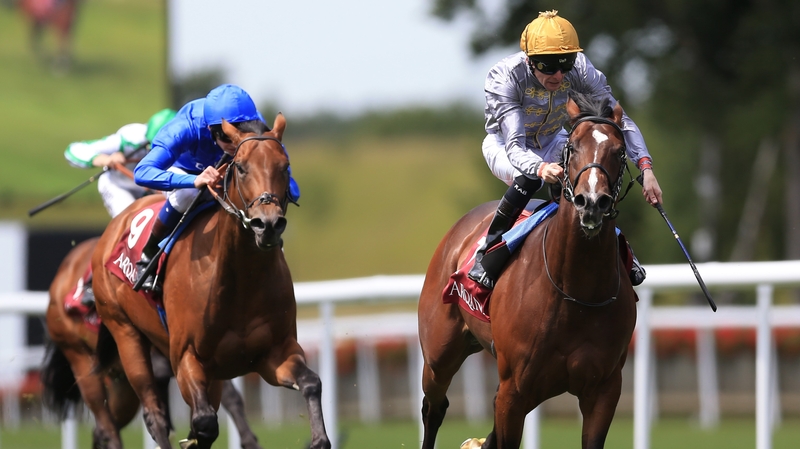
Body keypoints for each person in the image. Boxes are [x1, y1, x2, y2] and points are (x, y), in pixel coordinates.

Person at [467, 10, 663, 289]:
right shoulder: (505, 76)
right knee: (530, 177)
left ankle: (620, 247)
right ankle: (488, 250)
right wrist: (540, 167)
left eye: (565, 64)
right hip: (505, 144)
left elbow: (620, 120)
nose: (559, 75)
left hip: (553, 139)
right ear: (529, 61)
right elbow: (515, 145)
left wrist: (645, 168)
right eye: (548, 66)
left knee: (588, 173)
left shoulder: (581, 68)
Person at [133, 84, 300, 293]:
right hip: (185, 172)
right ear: (211, 129)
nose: (235, 141)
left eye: (242, 133)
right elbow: (142, 172)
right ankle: (148, 255)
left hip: (231, 168)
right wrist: (194, 181)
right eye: (227, 137)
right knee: (188, 194)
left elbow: (273, 158)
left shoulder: (255, 123)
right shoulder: (185, 128)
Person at [64, 108, 177, 306]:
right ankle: (90, 282)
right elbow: (74, 150)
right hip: (119, 186)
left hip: (150, 191)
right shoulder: (130, 137)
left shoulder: (184, 140)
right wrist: (105, 159)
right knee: (132, 226)